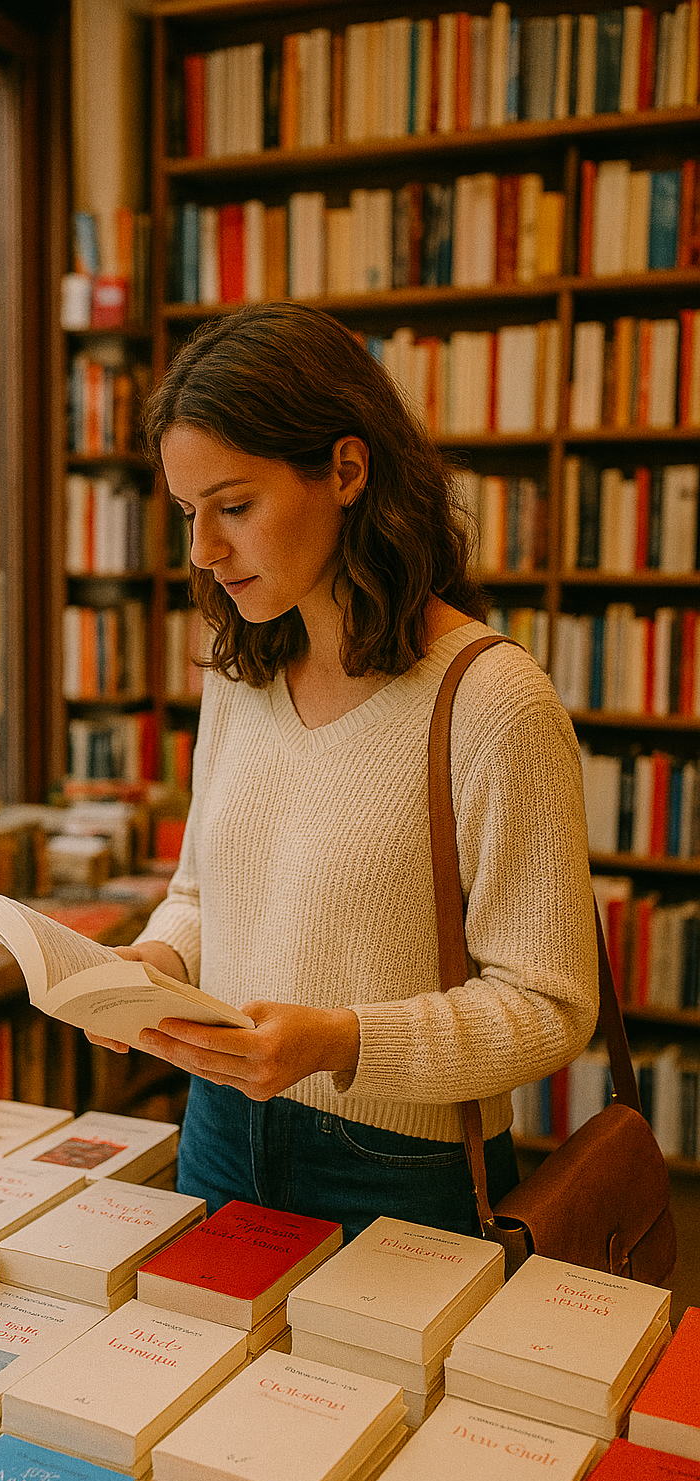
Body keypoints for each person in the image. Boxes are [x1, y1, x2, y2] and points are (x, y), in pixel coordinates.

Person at [89, 301, 598, 1243]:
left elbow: (551, 1006)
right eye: (190, 513)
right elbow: (201, 893)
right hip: (215, 1129)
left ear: (347, 471)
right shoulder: (239, 675)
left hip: (398, 1164)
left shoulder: (493, 701)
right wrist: (156, 963)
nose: (203, 551)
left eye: (235, 507)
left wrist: (345, 1041)